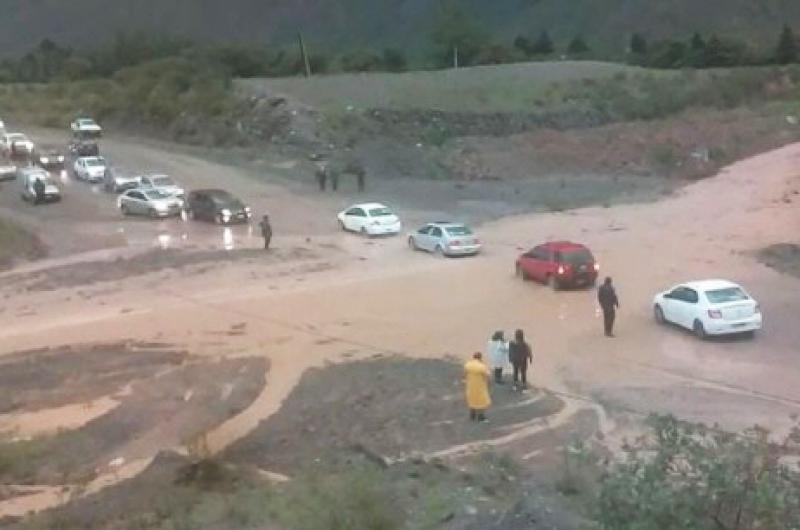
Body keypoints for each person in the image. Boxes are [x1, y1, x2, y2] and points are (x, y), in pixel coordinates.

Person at [464, 352, 491, 422]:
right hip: (480, 386)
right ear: (480, 358)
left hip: (470, 386)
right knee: (481, 402)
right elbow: (487, 375)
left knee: (472, 400)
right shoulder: (482, 366)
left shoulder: (468, 365)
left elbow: (465, 374)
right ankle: (480, 417)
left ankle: (472, 415)